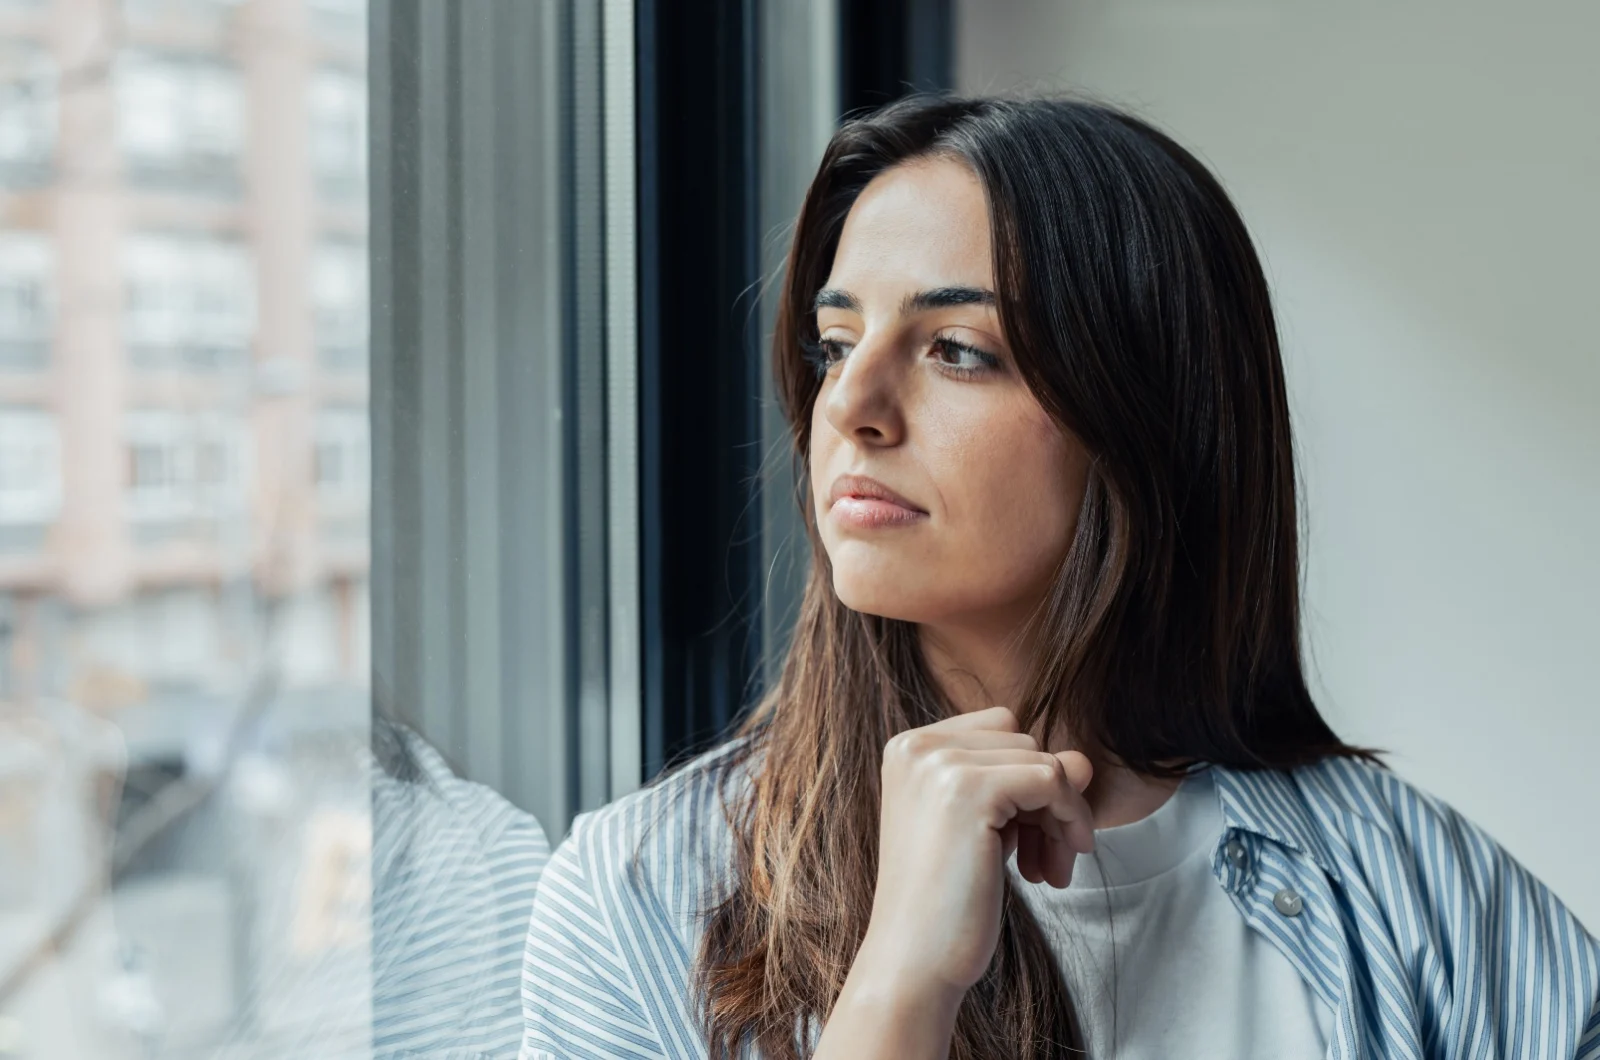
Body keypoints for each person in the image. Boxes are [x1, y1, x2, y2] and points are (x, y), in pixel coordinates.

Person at [519, 95, 1600, 1060]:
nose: (850, 406)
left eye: (956, 349)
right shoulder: (638, 900)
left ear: (1145, 419)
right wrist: (898, 988)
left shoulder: (1410, 890)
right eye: (834, 343)